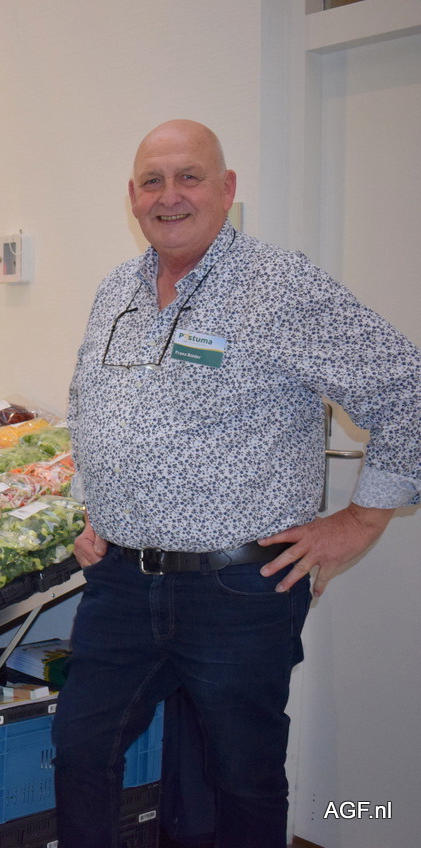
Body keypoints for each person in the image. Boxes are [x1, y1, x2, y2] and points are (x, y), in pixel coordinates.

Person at [56, 118, 421, 848]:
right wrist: (90, 506)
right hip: (121, 583)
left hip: (239, 591)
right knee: (80, 752)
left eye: (188, 177)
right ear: (132, 196)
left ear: (226, 189)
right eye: (153, 181)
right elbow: (91, 404)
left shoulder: (280, 286)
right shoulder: (116, 290)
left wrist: (359, 521)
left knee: (241, 780)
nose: (170, 196)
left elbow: (407, 391)